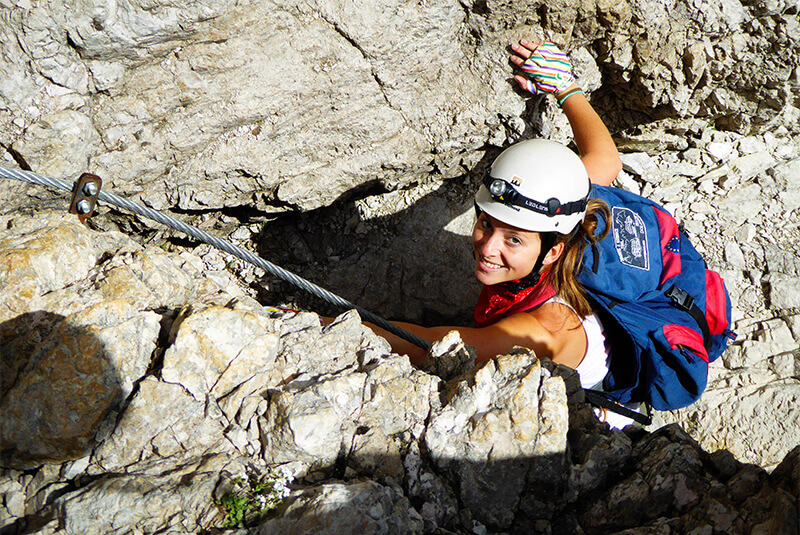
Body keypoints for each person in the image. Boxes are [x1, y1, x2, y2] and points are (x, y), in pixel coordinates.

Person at [360, 40, 631, 424]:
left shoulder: (541, 329)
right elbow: (605, 159)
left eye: (513, 239)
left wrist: (322, 326)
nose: (487, 246)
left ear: (552, 251)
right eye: (486, 223)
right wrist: (565, 87)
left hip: (594, 422)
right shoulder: (560, 212)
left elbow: (429, 345)